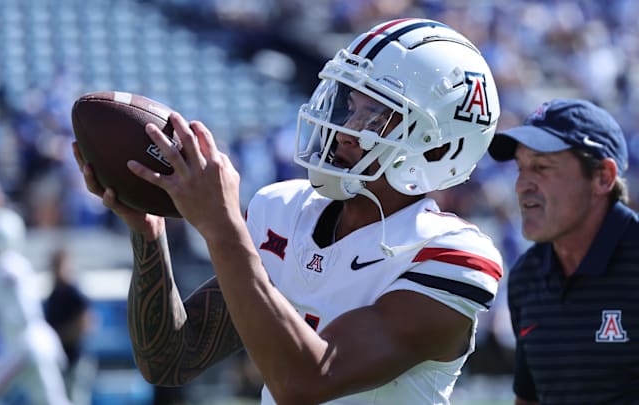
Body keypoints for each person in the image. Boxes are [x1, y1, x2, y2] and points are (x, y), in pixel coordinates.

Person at [74, 18, 503, 404]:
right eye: (350, 105)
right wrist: (149, 233)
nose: (346, 128)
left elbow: (307, 382)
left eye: (375, 114)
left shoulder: (449, 255)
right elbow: (171, 360)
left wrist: (223, 228)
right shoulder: (284, 210)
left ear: (438, 145)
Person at [487, 98, 639, 404]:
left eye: (541, 167)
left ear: (603, 177)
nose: (521, 185)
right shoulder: (526, 276)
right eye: (521, 168)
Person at [0, 207, 72, 405]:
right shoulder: (15, 263)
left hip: (24, 347)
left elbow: (13, 286)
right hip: (38, 343)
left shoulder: (4, 264)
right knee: (51, 401)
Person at [45, 247, 96, 405]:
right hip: (59, 362)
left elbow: (87, 322)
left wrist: (60, 336)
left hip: (76, 360)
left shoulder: (73, 293)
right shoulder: (54, 295)